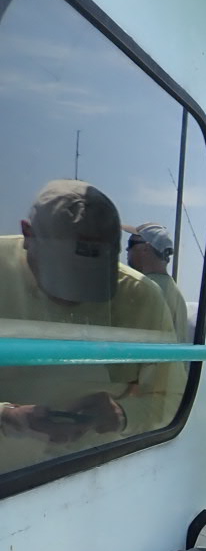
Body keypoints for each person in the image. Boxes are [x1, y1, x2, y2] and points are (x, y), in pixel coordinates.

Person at [0, 180, 180, 475]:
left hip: (96, 471)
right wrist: (7, 416)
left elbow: (172, 398)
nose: (73, 295)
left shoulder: (140, 295)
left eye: (92, 278)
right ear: (27, 234)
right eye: (61, 274)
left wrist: (122, 414)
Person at [124, 221, 189, 339]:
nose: (127, 249)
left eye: (131, 243)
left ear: (146, 248)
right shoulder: (176, 294)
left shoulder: (140, 289)